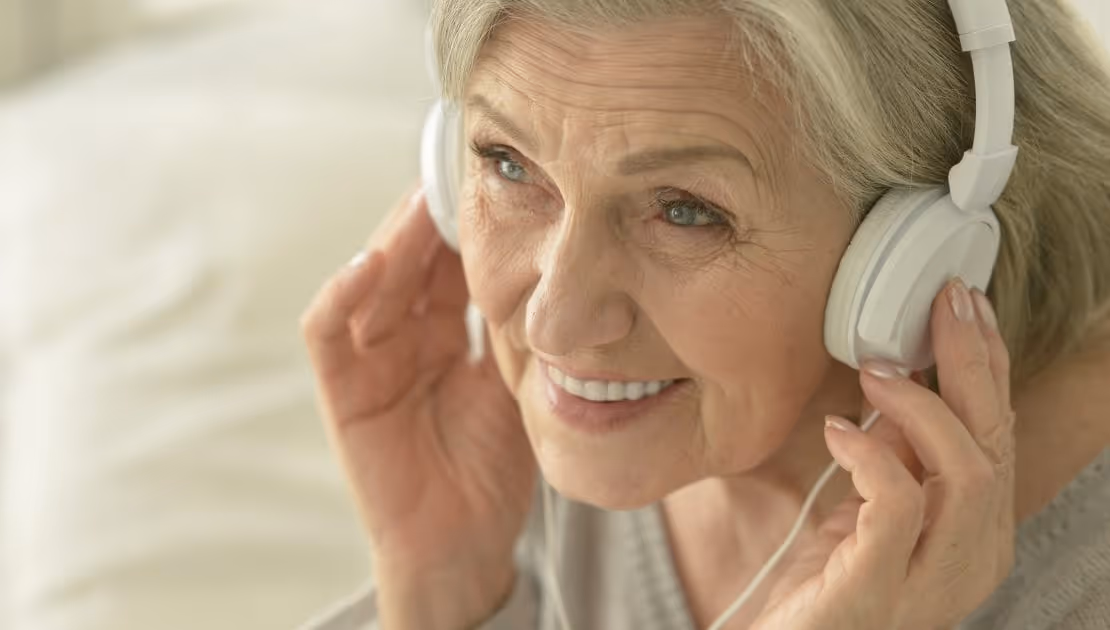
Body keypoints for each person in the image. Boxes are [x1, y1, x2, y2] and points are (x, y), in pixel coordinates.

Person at [299, 0, 1110, 628]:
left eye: (684, 211)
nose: (553, 324)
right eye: (507, 163)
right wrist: (443, 592)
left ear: (915, 246)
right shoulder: (544, 460)